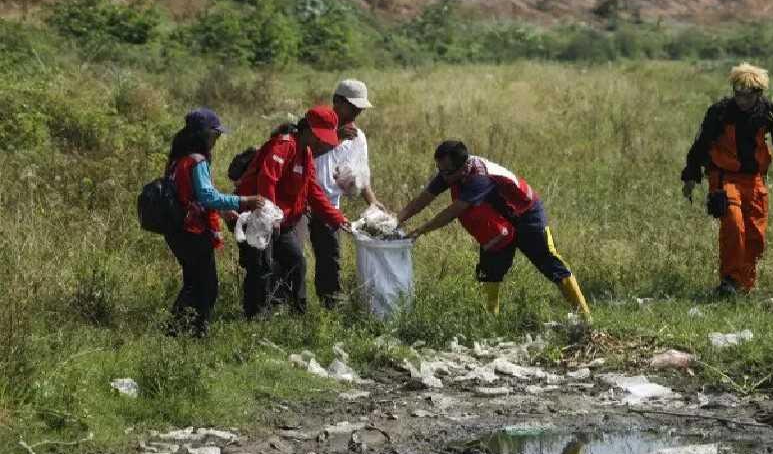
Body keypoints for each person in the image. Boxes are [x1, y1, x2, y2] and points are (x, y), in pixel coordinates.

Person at [397, 141, 591, 321]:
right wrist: (397, 220)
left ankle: (585, 317)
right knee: (490, 268)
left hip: (526, 215)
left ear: (463, 168)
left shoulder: (479, 178)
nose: (442, 176)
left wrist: (420, 231)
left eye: (446, 172)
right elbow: (424, 198)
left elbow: (452, 212)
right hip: (499, 219)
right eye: (439, 170)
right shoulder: (450, 172)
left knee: (549, 262)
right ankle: (490, 319)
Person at [681, 63, 773, 296]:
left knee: (755, 235)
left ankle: (745, 286)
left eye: (747, 95)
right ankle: (729, 281)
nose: (741, 100)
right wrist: (691, 176)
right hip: (724, 178)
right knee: (733, 224)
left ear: (758, 93)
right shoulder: (719, 112)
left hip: (755, 181)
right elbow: (701, 145)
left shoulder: (770, 112)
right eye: (737, 93)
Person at [234, 106, 351, 318]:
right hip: (258, 218)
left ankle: (298, 315)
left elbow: (313, 192)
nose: (323, 145)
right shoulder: (283, 146)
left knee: (297, 262)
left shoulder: (305, 155)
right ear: (306, 131)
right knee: (261, 267)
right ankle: (255, 319)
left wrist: (338, 219)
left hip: (281, 222)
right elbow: (267, 180)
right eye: (320, 138)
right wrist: (271, 216)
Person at [164, 108, 265, 337]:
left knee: (193, 282)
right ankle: (194, 332)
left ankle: (176, 332)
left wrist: (224, 209)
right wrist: (243, 201)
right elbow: (207, 197)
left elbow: (191, 195)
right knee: (207, 286)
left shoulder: (177, 159)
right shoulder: (197, 161)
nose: (217, 140)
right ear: (202, 134)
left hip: (177, 230)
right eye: (215, 135)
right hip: (193, 231)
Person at [308, 79, 383, 308]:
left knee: (330, 258)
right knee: (293, 256)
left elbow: (360, 173)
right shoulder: (315, 126)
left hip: (329, 206)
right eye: (353, 106)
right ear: (337, 102)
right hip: (303, 202)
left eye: (360, 108)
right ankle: (288, 306)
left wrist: (372, 202)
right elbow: (302, 157)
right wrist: (336, 137)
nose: (357, 112)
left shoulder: (357, 136)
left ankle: (330, 306)